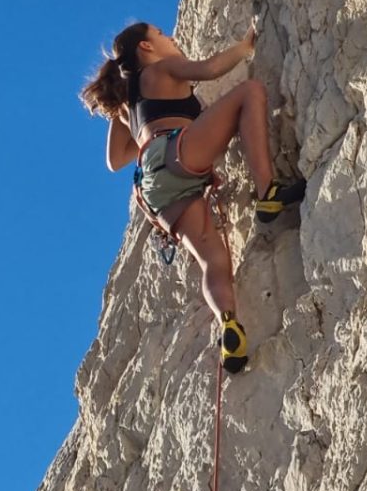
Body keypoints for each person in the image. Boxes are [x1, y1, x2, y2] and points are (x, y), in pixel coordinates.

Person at [80, 22, 305, 373]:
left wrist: (118, 111)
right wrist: (246, 46)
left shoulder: (132, 102)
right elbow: (210, 69)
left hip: (155, 189)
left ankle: (228, 323)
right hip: (177, 153)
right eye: (161, 35)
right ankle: (267, 193)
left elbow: (115, 161)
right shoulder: (162, 68)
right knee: (250, 92)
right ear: (146, 48)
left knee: (211, 261)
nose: (171, 38)